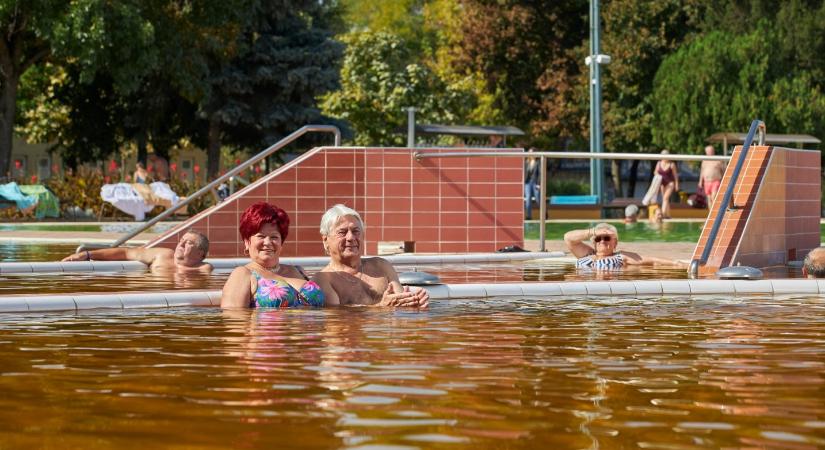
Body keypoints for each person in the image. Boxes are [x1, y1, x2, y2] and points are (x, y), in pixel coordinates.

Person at [312, 204, 429, 307]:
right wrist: (382, 307)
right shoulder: (322, 279)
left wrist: (413, 304)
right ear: (325, 240)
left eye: (356, 231)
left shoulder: (381, 266)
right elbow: (337, 320)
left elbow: (401, 306)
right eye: (342, 232)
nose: (350, 238)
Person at [221, 202, 324, 308]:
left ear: (281, 242)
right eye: (261, 236)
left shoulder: (298, 270)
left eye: (274, 237)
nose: (268, 242)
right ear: (247, 242)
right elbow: (234, 320)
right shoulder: (242, 274)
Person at [61, 229, 212, 273]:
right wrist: (87, 254)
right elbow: (126, 253)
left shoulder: (203, 269)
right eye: (181, 240)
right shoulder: (162, 255)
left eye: (189, 243)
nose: (181, 244)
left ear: (200, 254)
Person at [564, 223, 685, 269]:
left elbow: (652, 261)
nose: (602, 241)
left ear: (615, 243)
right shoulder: (588, 254)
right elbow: (568, 238)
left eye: (606, 238)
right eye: (598, 238)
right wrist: (593, 232)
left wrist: (677, 263)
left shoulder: (620, 256)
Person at [655, 150, 679, 218]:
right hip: (662, 183)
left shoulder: (672, 164)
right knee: (665, 199)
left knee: (665, 198)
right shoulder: (659, 163)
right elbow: (655, 172)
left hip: (670, 183)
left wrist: (677, 184)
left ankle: (662, 214)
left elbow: (675, 176)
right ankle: (668, 215)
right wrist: (657, 176)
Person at [524, 148, 540, 219]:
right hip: (527, 183)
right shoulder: (526, 162)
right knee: (528, 199)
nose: (530, 154)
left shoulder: (538, 162)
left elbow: (540, 174)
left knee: (538, 199)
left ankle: (544, 215)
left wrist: (539, 184)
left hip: (535, 182)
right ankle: (528, 216)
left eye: (531, 152)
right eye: (529, 152)